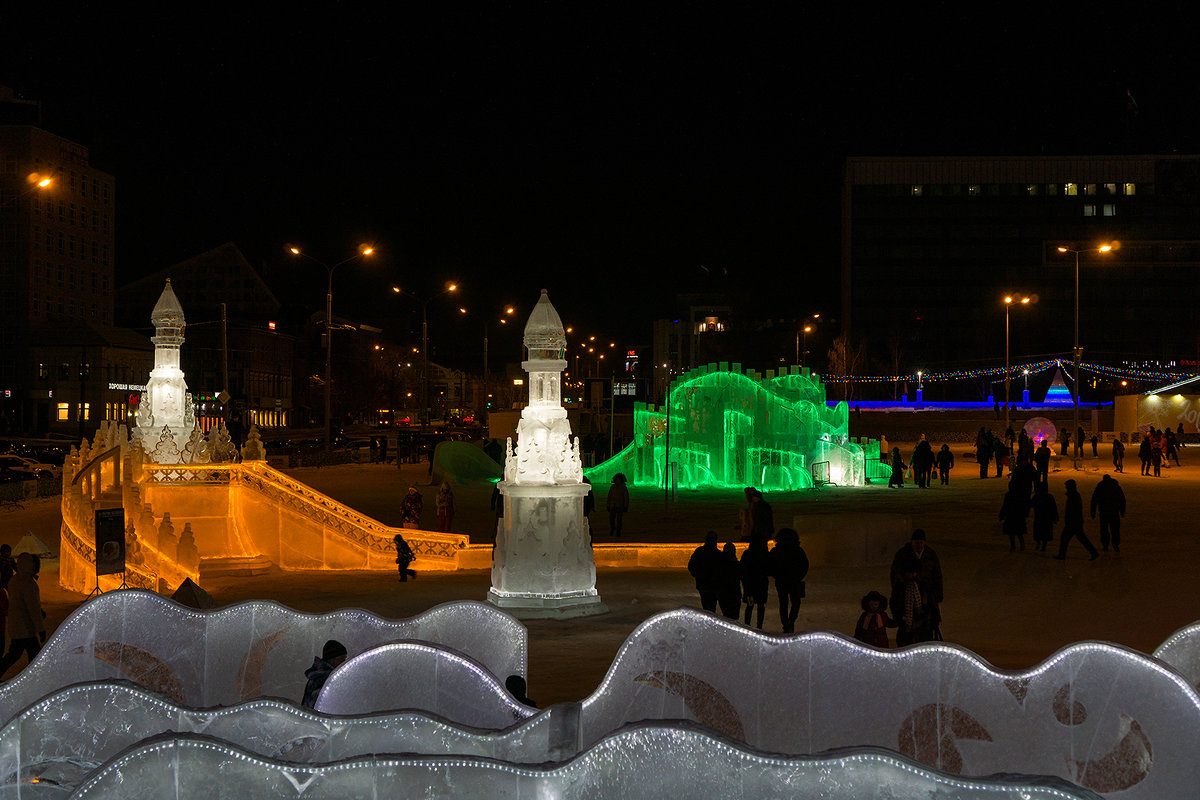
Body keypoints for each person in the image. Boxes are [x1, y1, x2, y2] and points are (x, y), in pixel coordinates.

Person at [889, 529, 943, 639]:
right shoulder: (902, 554)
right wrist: (904, 579)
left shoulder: (930, 555)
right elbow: (894, 574)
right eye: (917, 542)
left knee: (927, 624)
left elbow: (937, 575)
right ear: (912, 542)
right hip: (906, 595)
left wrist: (938, 594)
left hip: (927, 593)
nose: (919, 545)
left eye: (921, 542)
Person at [0, 553, 45, 675]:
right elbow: (33, 608)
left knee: (20, 654)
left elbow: (23, 603)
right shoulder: (29, 584)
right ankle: (33, 678)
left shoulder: (14, 580)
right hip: (25, 628)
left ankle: (32, 677)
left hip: (17, 626)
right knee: (26, 655)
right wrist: (41, 628)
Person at [768, 527, 809, 633]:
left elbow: (770, 566)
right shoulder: (798, 551)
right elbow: (804, 565)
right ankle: (790, 622)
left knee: (783, 603)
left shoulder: (776, 551)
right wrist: (798, 577)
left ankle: (786, 624)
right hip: (794, 581)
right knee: (795, 602)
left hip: (781, 581)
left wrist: (777, 576)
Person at [891, 555, 932, 646]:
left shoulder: (921, 585)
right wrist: (901, 619)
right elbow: (895, 604)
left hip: (920, 625)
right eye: (911, 572)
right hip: (906, 624)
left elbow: (927, 605)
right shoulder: (900, 586)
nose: (913, 575)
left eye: (914, 572)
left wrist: (921, 619)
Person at [1054, 479, 1099, 561]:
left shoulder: (1073, 496)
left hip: (1073, 522)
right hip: (1075, 521)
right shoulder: (1074, 495)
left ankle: (1062, 554)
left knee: (1066, 538)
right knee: (1080, 538)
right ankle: (1093, 552)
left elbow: (1073, 510)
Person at [301, 639, 347, 709]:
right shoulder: (327, 679)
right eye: (342, 659)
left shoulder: (318, 676)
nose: (344, 662)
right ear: (333, 659)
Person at [687, 531, 724, 613]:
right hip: (713, 586)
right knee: (711, 608)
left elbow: (691, 566)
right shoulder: (718, 554)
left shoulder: (699, 551)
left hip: (703, 585)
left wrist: (698, 575)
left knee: (706, 606)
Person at [739, 533, 770, 630]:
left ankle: (747, 626)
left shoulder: (747, 554)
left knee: (750, 605)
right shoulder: (764, 554)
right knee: (761, 605)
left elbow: (743, 570)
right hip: (761, 583)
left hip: (750, 584)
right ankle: (759, 626)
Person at [1090, 474, 1127, 552]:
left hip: (1104, 512)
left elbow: (1094, 500)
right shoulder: (1116, 487)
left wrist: (1093, 512)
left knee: (1104, 529)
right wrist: (1122, 511)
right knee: (1115, 529)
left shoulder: (1100, 487)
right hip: (1114, 512)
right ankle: (1115, 543)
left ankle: (1105, 545)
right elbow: (1122, 499)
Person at [998, 488, 1029, 552]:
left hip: (1011, 515)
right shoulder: (1020, 494)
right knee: (1019, 532)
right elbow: (1024, 505)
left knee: (1012, 532)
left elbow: (1005, 505)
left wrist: (1002, 514)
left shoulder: (1009, 495)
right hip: (1018, 515)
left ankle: (1013, 546)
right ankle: (1021, 545)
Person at [717, 542, 742, 620]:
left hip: (723, 593)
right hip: (734, 592)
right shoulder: (736, 565)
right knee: (734, 616)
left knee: (726, 615)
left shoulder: (720, 564)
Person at [1031, 481, 1058, 552]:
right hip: (1047, 518)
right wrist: (1055, 518)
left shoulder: (1037, 496)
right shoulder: (1049, 497)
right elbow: (1054, 508)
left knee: (1038, 531)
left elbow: (1031, 504)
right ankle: (1043, 545)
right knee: (1045, 532)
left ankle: (1039, 543)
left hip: (1039, 517)